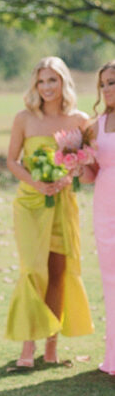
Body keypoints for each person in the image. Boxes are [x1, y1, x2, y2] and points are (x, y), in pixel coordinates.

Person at [4, 57, 93, 367]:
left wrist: (70, 175)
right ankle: (27, 346)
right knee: (32, 270)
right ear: (35, 85)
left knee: (58, 273)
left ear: (63, 82)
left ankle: (51, 345)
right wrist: (36, 183)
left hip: (63, 205)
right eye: (41, 81)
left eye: (52, 80)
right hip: (30, 203)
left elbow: (86, 165)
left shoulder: (80, 120)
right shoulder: (24, 119)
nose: (46, 87)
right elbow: (12, 161)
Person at [86, 60, 115, 375]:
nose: (107, 89)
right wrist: (79, 164)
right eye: (103, 84)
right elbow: (92, 174)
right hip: (106, 206)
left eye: (112, 82)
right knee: (111, 280)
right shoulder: (96, 125)